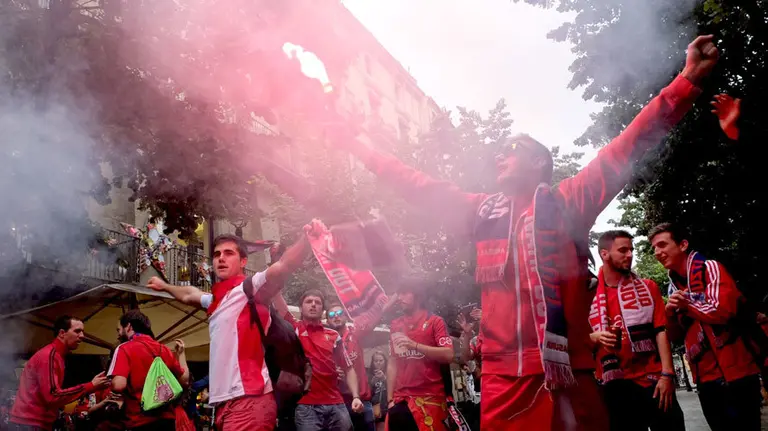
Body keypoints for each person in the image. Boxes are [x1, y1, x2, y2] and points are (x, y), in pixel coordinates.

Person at [329, 35, 718, 430]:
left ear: (538, 163)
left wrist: (686, 81)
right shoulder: (481, 210)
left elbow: (627, 147)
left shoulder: (569, 201)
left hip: (566, 376)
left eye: (512, 149)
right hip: (501, 384)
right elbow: (416, 185)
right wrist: (360, 148)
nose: (500, 155)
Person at [147, 232, 309, 431]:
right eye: (217, 254)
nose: (221, 258)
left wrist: (307, 239)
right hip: (225, 405)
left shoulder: (249, 289)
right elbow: (189, 294)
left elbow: (283, 266)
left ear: (243, 261)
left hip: (249, 400)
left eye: (228, 253)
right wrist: (164, 286)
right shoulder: (216, 300)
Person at [649, 222, 761, 431]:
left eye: (662, 245)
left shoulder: (710, 268)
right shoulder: (673, 288)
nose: (657, 252)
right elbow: (676, 337)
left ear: (683, 245)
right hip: (705, 379)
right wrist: (670, 314)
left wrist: (687, 305)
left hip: (736, 374)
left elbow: (723, 311)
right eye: (654, 248)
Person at [589, 230, 684, 431]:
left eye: (631, 250)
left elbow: (660, 330)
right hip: (613, 385)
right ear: (605, 254)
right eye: (623, 250)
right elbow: (576, 339)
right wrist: (595, 337)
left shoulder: (648, 287)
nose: (630, 255)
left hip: (654, 381)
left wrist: (667, 375)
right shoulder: (587, 295)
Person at [273, 289, 362, 431]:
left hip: (336, 403)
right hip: (306, 405)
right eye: (309, 302)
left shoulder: (333, 335)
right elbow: (278, 300)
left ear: (323, 310)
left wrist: (356, 396)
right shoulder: (294, 328)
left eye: (318, 302)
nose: (313, 305)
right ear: (301, 308)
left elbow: (349, 368)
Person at [10, 315, 109, 431]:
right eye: (77, 331)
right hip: (30, 423)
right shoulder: (49, 356)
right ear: (62, 333)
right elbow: (52, 396)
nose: (82, 336)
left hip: (33, 422)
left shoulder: (56, 355)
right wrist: (90, 386)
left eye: (82, 331)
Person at [385, 282, 454, 431]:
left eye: (404, 293)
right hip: (400, 400)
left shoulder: (435, 321)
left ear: (418, 296)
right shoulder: (395, 324)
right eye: (399, 294)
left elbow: (448, 355)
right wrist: (390, 399)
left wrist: (415, 345)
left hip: (430, 398)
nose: (399, 298)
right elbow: (392, 361)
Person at [107, 310, 190, 430]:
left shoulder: (124, 348)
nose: (118, 335)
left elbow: (118, 385)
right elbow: (184, 381)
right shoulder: (164, 349)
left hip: (140, 419)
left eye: (119, 330)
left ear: (129, 326)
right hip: (167, 420)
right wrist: (181, 354)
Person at [326, 297, 398, 431]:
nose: (336, 316)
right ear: (327, 321)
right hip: (337, 403)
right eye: (331, 314)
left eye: (339, 313)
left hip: (362, 401)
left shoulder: (355, 332)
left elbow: (374, 315)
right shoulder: (324, 340)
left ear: (346, 316)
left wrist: (395, 296)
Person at [368, 352, 389, 431]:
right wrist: (372, 382)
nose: (378, 363)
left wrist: (384, 379)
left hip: (388, 407)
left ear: (385, 361)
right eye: (376, 361)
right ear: (372, 362)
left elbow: (394, 389)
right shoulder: (369, 375)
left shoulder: (390, 372)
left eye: (381, 360)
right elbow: (367, 394)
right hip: (375, 408)